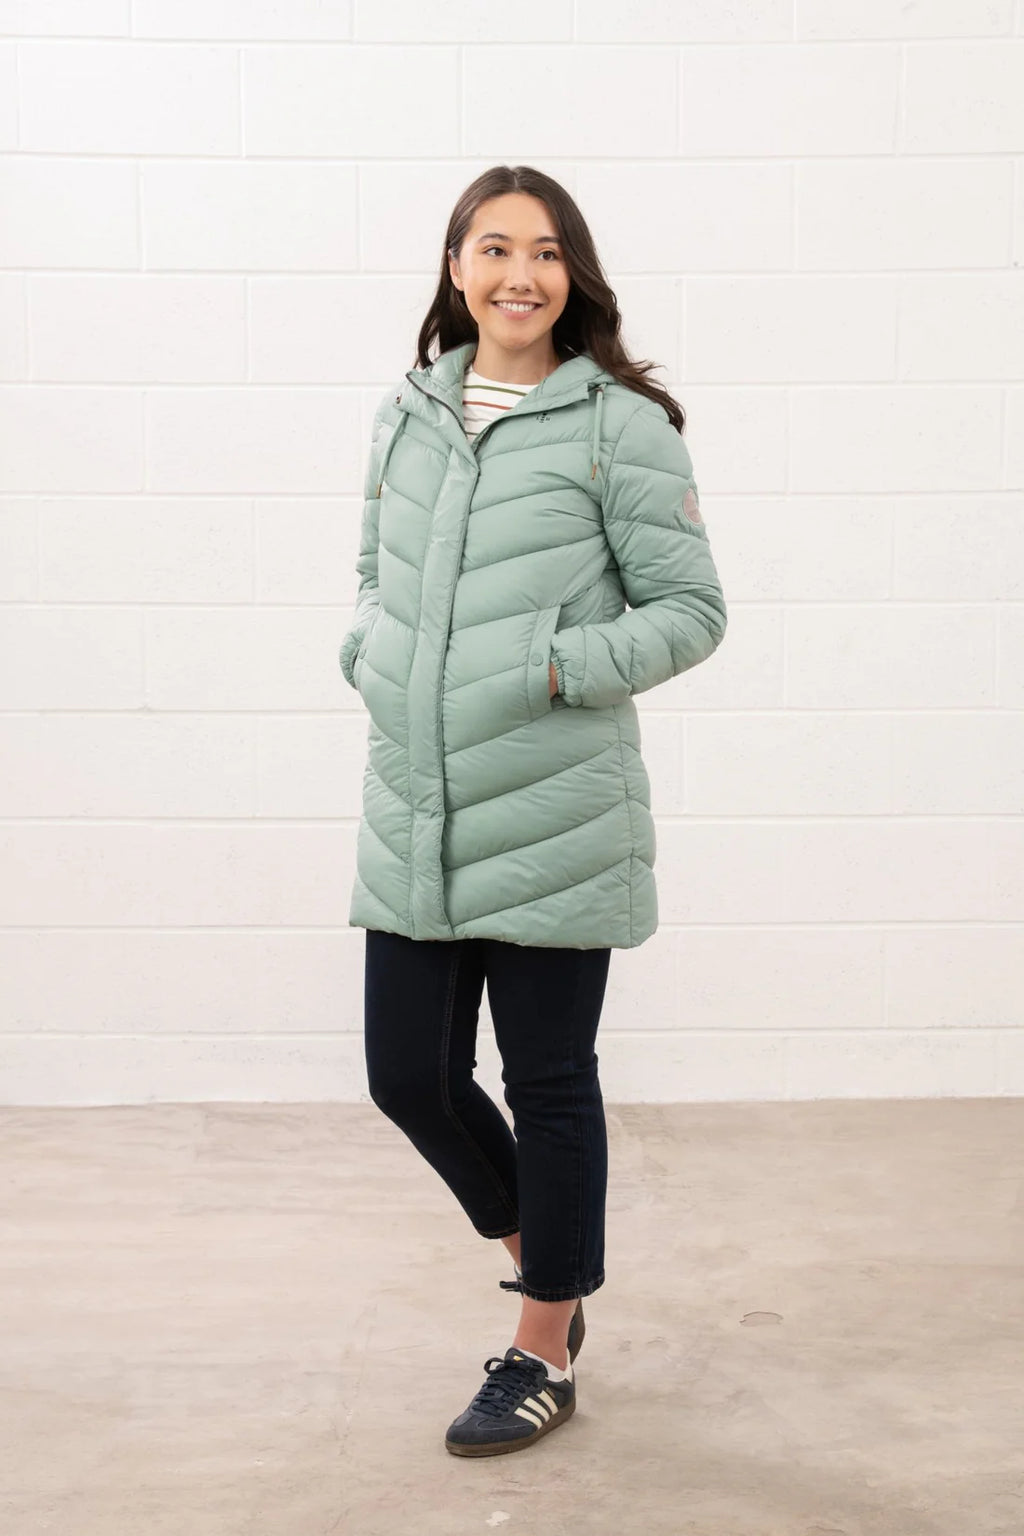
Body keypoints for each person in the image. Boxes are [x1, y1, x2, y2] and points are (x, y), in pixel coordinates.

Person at [338, 165, 728, 1457]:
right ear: (455, 267)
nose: (521, 273)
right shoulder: (409, 411)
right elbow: (375, 568)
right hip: (419, 802)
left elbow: (692, 612)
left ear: (575, 276)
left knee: (548, 1082)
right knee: (411, 1077)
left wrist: (554, 669)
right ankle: (552, 1252)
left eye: (546, 252)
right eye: (494, 247)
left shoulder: (623, 424)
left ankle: (543, 1340)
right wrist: (373, 656)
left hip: (558, 808)